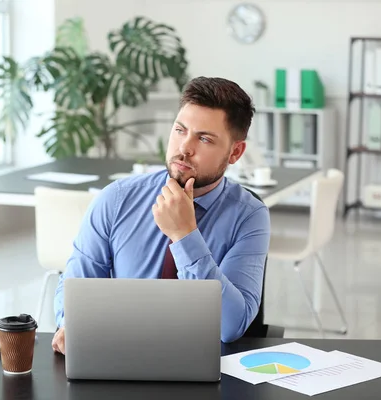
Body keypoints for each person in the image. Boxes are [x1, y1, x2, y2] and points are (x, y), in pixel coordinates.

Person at [51, 76, 270, 354]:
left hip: (199, 363)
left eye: (204, 138)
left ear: (235, 152)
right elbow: (75, 287)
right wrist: (71, 324)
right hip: (118, 355)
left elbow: (230, 326)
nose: (184, 148)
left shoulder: (249, 216)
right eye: (180, 130)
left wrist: (184, 236)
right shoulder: (116, 198)